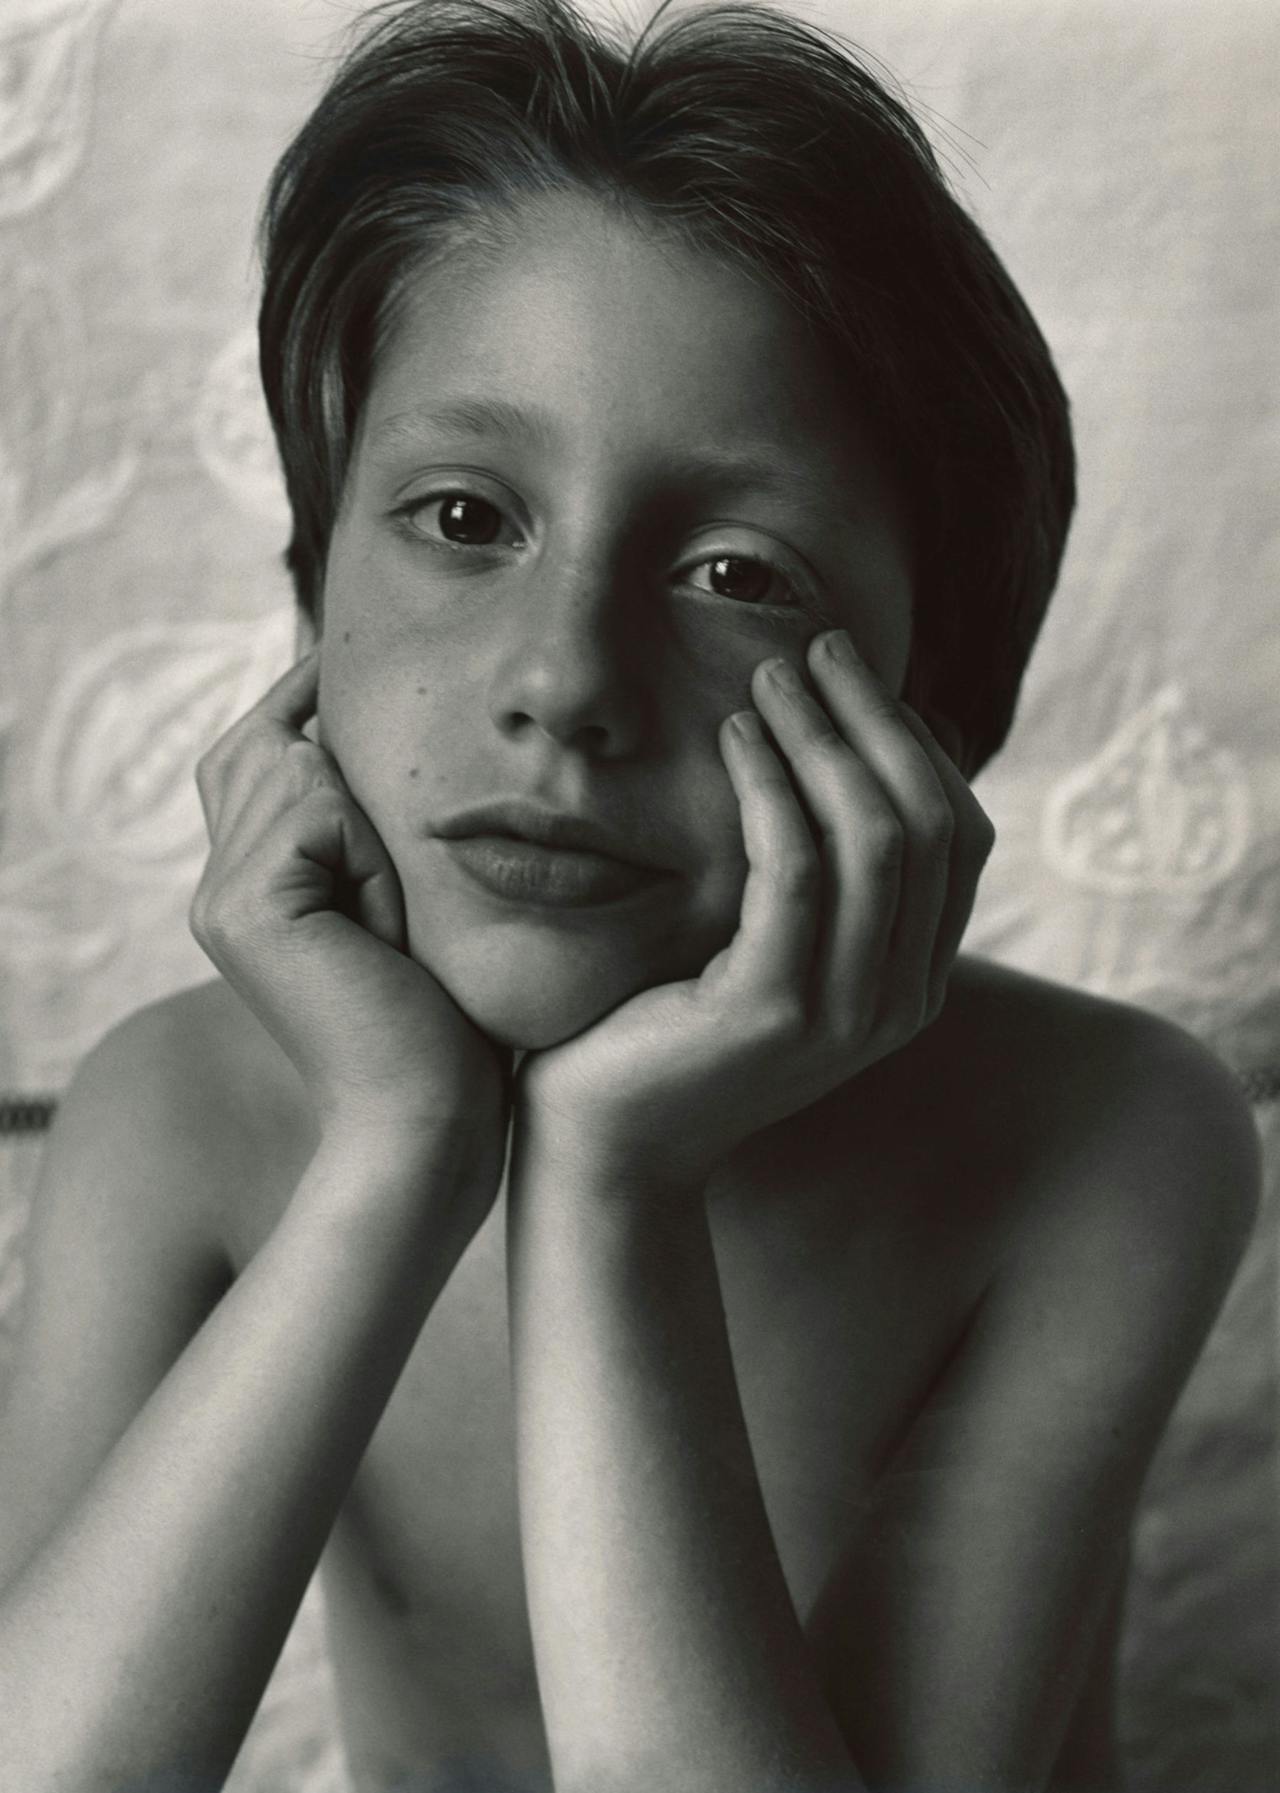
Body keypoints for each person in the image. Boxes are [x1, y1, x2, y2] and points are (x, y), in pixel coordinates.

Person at [0, 1, 1261, 1788]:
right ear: (312, 602)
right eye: (462, 519)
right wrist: (397, 1153)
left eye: (738, 572)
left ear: (926, 732)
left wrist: (612, 1179)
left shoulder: (1107, 1134)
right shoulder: (173, 1115)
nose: (564, 680)